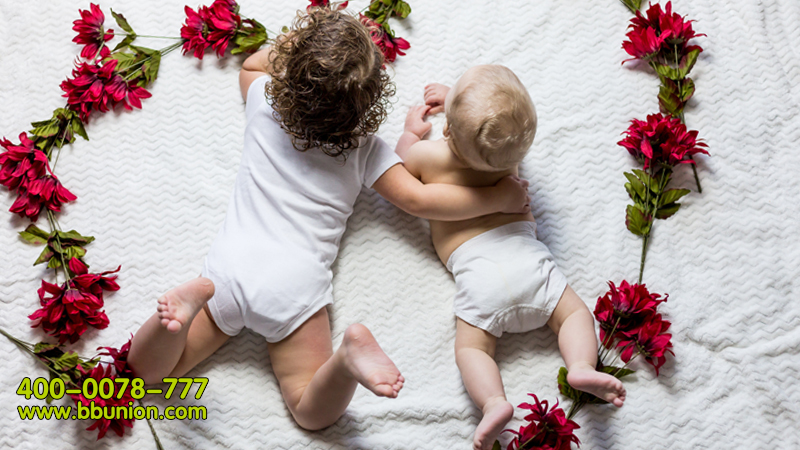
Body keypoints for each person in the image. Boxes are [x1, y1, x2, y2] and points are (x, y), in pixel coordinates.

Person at [127, 10, 531, 431]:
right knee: (309, 410)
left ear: (290, 72)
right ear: (370, 101)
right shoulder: (364, 149)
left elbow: (252, 65)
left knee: (146, 372)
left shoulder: (264, 100)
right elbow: (420, 199)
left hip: (228, 272)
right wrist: (496, 197)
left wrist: (298, 48)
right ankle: (346, 359)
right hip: (293, 287)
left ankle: (178, 315)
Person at [397, 65, 626, 450]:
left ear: (447, 129)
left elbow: (401, 165)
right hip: (528, 263)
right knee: (573, 315)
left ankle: (493, 402)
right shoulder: (506, 157)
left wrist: (410, 133)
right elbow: (489, 130)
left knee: (472, 349)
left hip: (478, 277)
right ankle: (581, 366)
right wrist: (458, 103)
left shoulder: (427, 157)